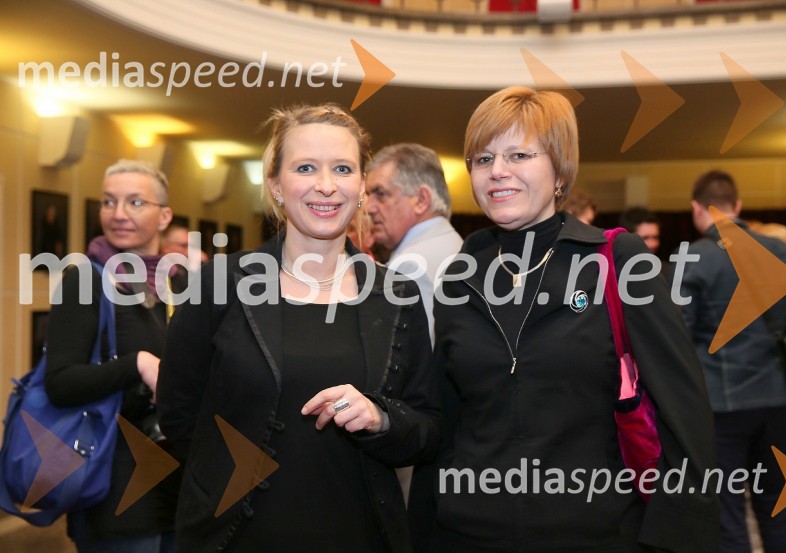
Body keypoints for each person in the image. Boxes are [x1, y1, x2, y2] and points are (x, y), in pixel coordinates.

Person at [411, 86, 719, 552]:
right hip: (467, 535)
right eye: (482, 158)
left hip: (596, 534)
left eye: (518, 154)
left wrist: (670, 540)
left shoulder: (620, 261)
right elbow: (448, 422)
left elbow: (686, 414)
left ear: (559, 168)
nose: (498, 171)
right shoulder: (460, 276)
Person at [157, 103, 441, 553]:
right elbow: (178, 415)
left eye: (343, 169)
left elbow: (429, 428)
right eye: (305, 167)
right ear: (276, 185)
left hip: (362, 535)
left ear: (362, 186)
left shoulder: (398, 294)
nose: (326, 185)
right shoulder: (218, 285)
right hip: (238, 538)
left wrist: (381, 418)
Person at [676, 170, 786, 553]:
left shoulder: (693, 258)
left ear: (697, 208)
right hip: (776, 402)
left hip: (720, 405)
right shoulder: (777, 250)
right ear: (738, 207)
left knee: (729, 513)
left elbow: (679, 337)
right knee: (775, 508)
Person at [44, 159, 180, 552]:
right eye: (108, 202)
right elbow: (61, 382)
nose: (118, 214)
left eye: (135, 202)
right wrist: (137, 364)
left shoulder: (179, 283)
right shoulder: (85, 280)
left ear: (164, 215)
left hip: (181, 486)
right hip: (116, 489)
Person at [364, 142, 463, 341]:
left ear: (421, 200)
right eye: (368, 195)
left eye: (380, 194)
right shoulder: (456, 243)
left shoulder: (410, 265)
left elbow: (403, 357)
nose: (369, 208)